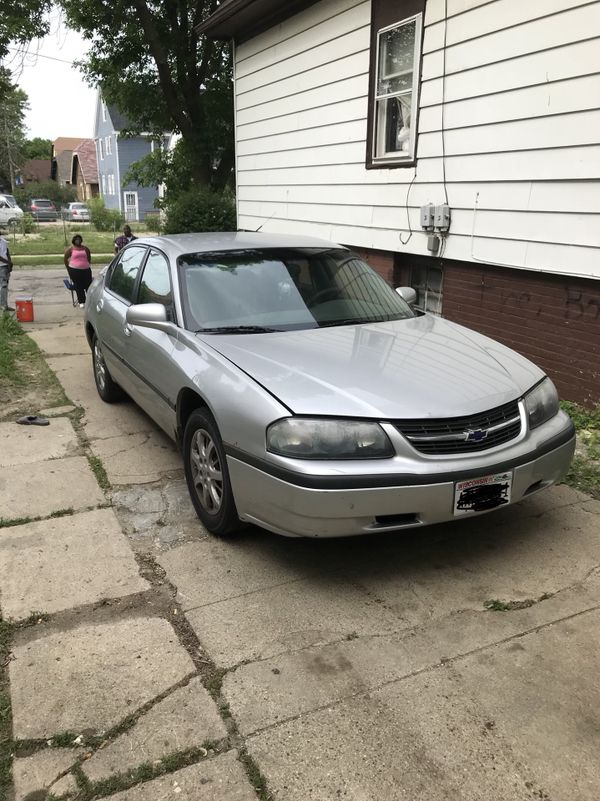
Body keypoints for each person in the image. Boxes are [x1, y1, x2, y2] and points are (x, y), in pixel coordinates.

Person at [64, 234, 92, 308]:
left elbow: (89, 258)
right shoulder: (70, 249)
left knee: (88, 285)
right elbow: (65, 259)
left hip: (86, 270)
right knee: (78, 285)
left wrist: (85, 265)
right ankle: (81, 301)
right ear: (74, 241)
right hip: (74, 270)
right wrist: (68, 270)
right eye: (76, 239)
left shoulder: (85, 248)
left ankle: (89, 300)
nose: (78, 240)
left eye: (79, 239)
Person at [0, 227, 14, 313]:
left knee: (4, 286)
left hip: (5, 266)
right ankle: (3, 306)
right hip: (2, 266)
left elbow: (7, 252)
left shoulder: (3, 241)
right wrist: (8, 262)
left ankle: (4, 305)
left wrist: (10, 262)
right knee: (3, 286)